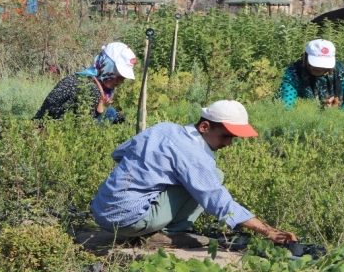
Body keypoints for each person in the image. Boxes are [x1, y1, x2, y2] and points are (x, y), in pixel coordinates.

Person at [90, 100, 298, 248]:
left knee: (193, 177)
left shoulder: (162, 128)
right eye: (225, 136)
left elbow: (119, 153)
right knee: (213, 177)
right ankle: (165, 234)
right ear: (205, 126)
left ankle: (145, 230)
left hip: (102, 212)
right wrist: (268, 231)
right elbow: (218, 201)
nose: (228, 143)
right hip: (129, 220)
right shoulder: (194, 156)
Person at [33, 42, 136, 124]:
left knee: (111, 113)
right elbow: (84, 126)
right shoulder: (89, 89)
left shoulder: (84, 79)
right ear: (106, 66)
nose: (121, 81)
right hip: (49, 134)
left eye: (123, 77)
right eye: (118, 74)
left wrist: (127, 121)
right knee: (109, 115)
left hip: (47, 130)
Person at [279, 39, 344, 110]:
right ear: (305, 58)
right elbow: (287, 104)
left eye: (324, 64)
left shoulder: (342, 72)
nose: (319, 68)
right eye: (315, 63)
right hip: (303, 115)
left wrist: (339, 114)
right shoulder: (293, 72)